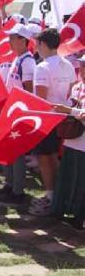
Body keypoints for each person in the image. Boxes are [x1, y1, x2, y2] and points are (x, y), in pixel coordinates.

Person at [29, 28, 76, 216]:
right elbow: (71, 92)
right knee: (54, 157)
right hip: (64, 118)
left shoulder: (42, 66)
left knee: (44, 157)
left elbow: (40, 98)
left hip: (47, 117)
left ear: (43, 44)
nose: (36, 48)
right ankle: (57, 195)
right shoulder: (68, 64)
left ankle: (51, 196)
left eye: (38, 44)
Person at [0, 24, 37, 202]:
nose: (9, 41)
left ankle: (17, 190)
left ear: (23, 40)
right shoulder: (17, 59)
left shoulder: (27, 61)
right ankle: (9, 183)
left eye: (13, 38)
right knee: (7, 148)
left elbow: (28, 91)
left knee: (17, 151)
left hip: (19, 112)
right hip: (10, 110)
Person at [51, 54, 85, 229]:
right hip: (71, 139)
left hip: (83, 143)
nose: (82, 69)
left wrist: (69, 110)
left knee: (81, 181)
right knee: (66, 177)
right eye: (81, 65)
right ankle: (59, 210)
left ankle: (79, 217)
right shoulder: (77, 87)